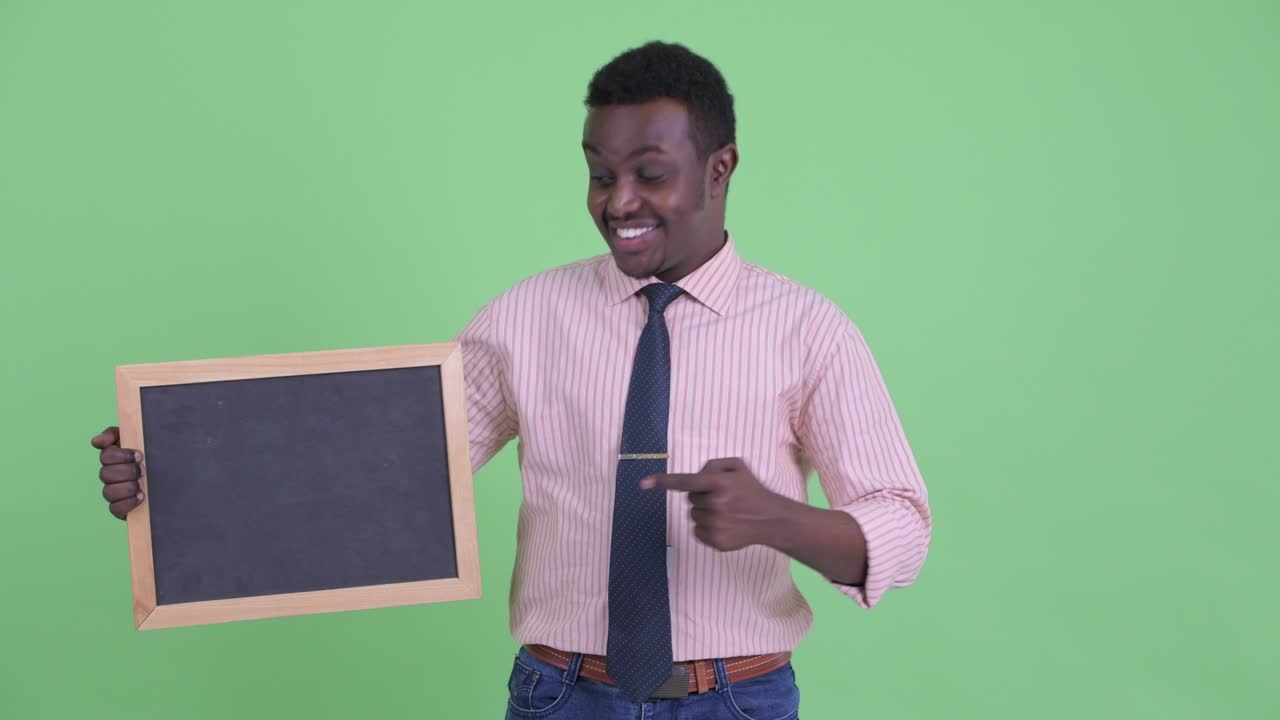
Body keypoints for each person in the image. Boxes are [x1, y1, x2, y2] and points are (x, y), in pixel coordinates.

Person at [91, 41, 932, 719]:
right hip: (562, 695)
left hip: (737, 699)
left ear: (720, 169)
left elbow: (902, 528)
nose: (618, 202)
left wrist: (779, 520)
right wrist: (175, 478)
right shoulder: (526, 316)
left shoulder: (808, 329)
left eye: (650, 173)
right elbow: (380, 467)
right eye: (600, 173)